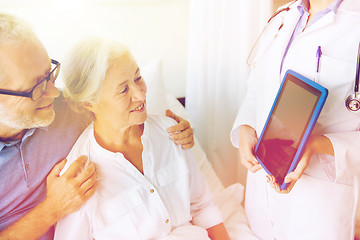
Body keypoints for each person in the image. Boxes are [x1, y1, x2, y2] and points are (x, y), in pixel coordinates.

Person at [0, 13, 195, 240]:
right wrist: (51, 209)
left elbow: (121, 116)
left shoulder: (69, 107)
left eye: (49, 74)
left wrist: (173, 132)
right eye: (36, 88)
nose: (54, 93)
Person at [53, 38, 230, 240]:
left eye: (138, 78)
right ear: (89, 104)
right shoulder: (78, 176)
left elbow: (203, 207)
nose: (140, 95)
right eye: (123, 90)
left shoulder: (172, 133)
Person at [231, 0, 360, 239]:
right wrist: (246, 126)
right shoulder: (284, 15)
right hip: (262, 188)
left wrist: (317, 144)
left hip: (319, 205)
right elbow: (258, 87)